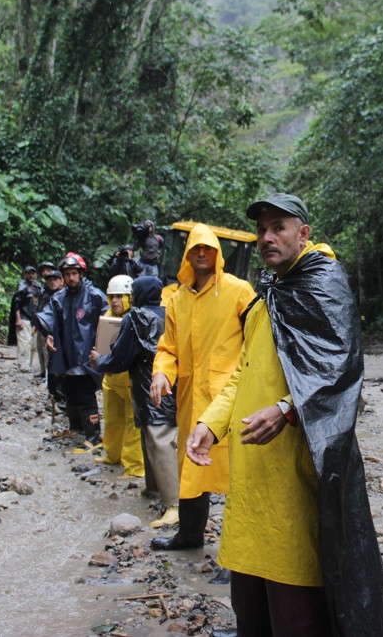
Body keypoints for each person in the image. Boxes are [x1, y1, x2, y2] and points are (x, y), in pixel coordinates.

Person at [185, 194, 383, 637]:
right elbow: (244, 371)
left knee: (294, 592)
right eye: (261, 230)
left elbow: (343, 367)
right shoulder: (268, 298)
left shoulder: (322, 286)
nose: (266, 237)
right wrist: (210, 422)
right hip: (252, 464)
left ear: (304, 234)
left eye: (278, 227)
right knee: (250, 594)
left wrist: (287, 409)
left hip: (298, 466)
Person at [149, 223, 254, 547]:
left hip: (230, 399)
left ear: (218, 253)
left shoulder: (239, 291)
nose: (202, 253)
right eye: (196, 249)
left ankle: (238, 553)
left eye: (208, 248)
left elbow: (258, 339)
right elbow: (169, 346)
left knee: (237, 475)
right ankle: (190, 535)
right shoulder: (178, 299)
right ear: (187, 256)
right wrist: (162, 373)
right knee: (192, 470)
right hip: (190, 400)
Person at [92, 276, 180, 524]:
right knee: (154, 436)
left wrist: (99, 361)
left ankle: (173, 503)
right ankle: (154, 488)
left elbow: (120, 356)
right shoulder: (169, 312)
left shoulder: (136, 316)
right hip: (171, 384)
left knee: (158, 440)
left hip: (145, 385)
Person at [38, 252, 107, 449]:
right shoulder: (59, 298)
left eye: (74, 273)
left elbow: (108, 322)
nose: (71, 278)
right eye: (67, 274)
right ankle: (76, 427)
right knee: (69, 392)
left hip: (86, 354)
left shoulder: (95, 296)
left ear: (81, 273)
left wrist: (101, 349)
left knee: (86, 395)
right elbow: (49, 320)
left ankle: (93, 436)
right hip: (66, 354)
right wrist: (49, 334)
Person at [89, 274, 145, 476]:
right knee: (112, 419)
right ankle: (112, 455)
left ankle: (134, 466)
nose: (115, 301)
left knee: (133, 424)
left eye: (120, 296)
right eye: (112, 296)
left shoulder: (138, 318)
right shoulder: (108, 315)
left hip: (130, 380)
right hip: (112, 378)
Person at [8, 265, 42, 373]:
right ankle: (23, 365)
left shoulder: (38, 287)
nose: (31, 275)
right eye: (29, 273)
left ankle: (29, 365)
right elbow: (16, 304)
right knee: (24, 342)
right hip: (23, 317)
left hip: (34, 318)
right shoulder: (22, 286)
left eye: (33, 273)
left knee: (33, 344)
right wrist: (17, 319)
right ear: (25, 274)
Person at [34, 261, 59, 378]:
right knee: (40, 348)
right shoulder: (44, 290)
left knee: (48, 350)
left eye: (55, 279)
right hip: (42, 322)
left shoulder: (61, 294)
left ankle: (50, 376)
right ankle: (43, 371)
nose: (52, 282)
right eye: (50, 279)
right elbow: (39, 306)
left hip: (53, 326)